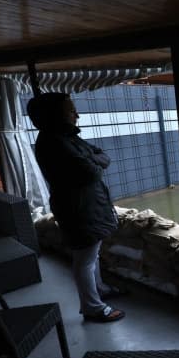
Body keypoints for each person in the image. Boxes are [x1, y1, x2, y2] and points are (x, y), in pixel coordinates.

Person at [27, 92, 125, 322]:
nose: (77, 115)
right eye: (71, 111)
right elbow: (92, 171)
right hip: (78, 209)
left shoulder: (67, 137)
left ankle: (99, 289)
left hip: (87, 205)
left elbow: (103, 157)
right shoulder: (55, 142)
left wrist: (93, 160)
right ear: (55, 115)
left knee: (92, 253)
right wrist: (94, 161)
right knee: (85, 258)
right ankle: (92, 307)